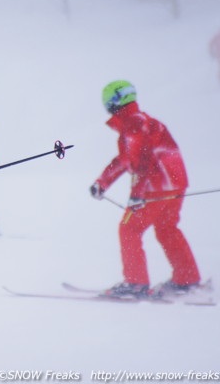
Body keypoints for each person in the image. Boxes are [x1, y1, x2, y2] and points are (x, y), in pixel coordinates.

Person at [90, 80, 200, 299]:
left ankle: (135, 283)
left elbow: (142, 162)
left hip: (156, 187)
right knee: (167, 229)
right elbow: (125, 159)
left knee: (129, 229)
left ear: (114, 102)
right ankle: (186, 280)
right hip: (175, 183)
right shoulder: (142, 121)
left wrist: (137, 195)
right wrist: (102, 182)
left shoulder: (133, 123)